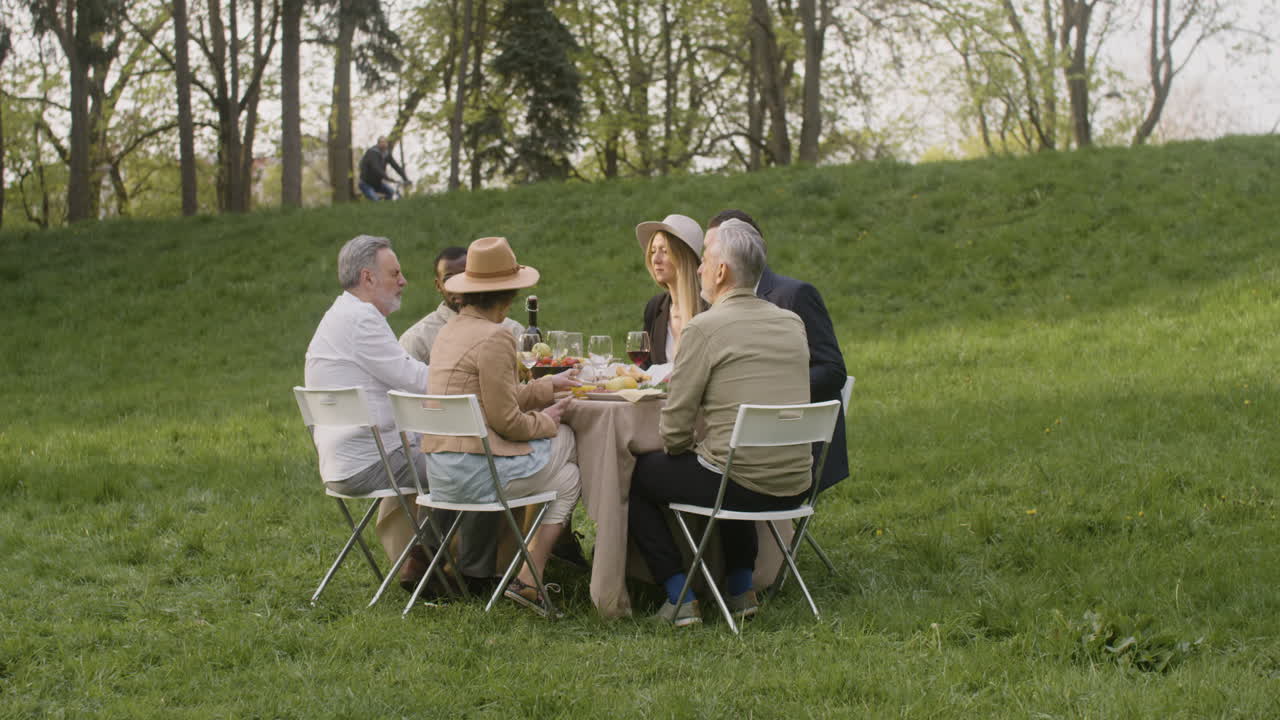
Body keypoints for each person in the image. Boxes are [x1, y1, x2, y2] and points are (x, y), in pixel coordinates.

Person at [628, 219, 813, 627]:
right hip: (796, 483)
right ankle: (740, 589)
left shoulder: (704, 328)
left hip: (741, 483)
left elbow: (674, 431)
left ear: (722, 271)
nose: (698, 269)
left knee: (639, 475)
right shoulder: (791, 322)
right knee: (730, 458)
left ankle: (679, 595)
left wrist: (682, 448)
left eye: (705, 260)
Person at [421, 236, 583, 615]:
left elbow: (493, 398)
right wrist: (547, 421)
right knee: (569, 437)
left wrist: (547, 387)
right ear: (510, 294)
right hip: (477, 475)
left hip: (441, 474)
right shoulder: (495, 337)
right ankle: (568, 559)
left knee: (569, 478)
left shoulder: (450, 330)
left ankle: (529, 579)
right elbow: (507, 421)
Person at [304, 234, 440, 593]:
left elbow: (398, 383)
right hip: (372, 463)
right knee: (470, 467)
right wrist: (470, 378)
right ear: (368, 278)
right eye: (395, 273)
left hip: (341, 464)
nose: (403, 281)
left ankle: (431, 561)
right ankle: (437, 565)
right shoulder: (361, 319)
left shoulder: (339, 315)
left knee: (448, 453)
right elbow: (414, 379)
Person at [707, 209, 850, 491]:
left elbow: (833, 371)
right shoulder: (716, 305)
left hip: (796, 444)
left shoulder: (794, 295)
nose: (707, 262)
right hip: (741, 442)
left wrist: (771, 391)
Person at [400, 246, 524, 365]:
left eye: (465, 278)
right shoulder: (417, 339)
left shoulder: (512, 330)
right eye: (449, 279)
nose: (458, 287)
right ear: (438, 285)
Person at [635, 214, 708, 365]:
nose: (656, 259)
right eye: (653, 251)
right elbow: (644, 368)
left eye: (665, 251)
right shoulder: (655, 307)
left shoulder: (710, 308)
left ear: (684, 257)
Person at [358, 136, 411, 201]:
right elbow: (376, 168)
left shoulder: (386, 154)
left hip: (378, 183)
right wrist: (387, 177)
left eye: (385, 142)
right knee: (376, 200)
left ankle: (386, 202)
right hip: (366, 184)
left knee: (393, 194)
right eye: (381, 142)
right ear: (378, 144)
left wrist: (405, 179)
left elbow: (396, 167)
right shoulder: (372, 153)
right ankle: (378, 200)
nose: (383, 144)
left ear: (387, 144)